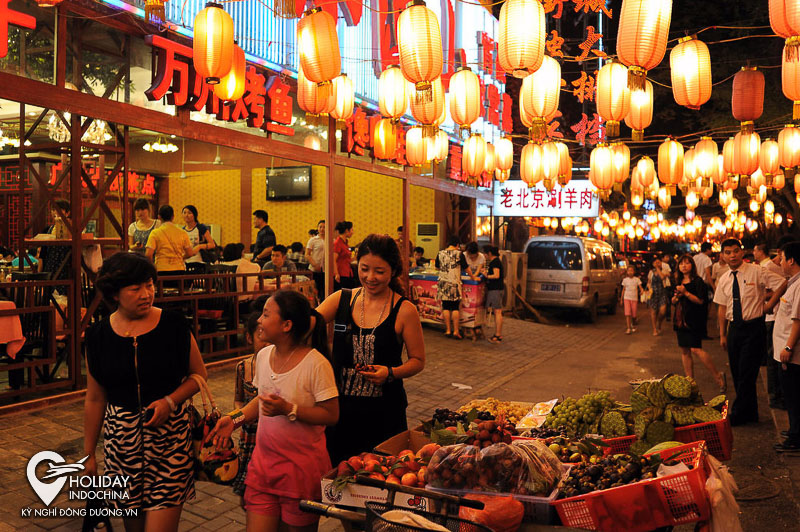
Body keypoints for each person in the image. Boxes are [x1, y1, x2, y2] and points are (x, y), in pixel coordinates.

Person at [83, 252, 207, 530]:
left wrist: (169, 401)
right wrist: (89, 453)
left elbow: (199, 375)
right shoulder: (98, 336)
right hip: (121, 446)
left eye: (149, 285)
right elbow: (94, 397)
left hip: (170, 442)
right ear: (114, 294)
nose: (146, 293)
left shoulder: (174, 325)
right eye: (136, 288)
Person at [207, 290, 338, 531]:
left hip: (300, 473)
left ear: (286, 325)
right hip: (263, 468)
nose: (259, 320)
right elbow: (261, 400)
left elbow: (331, 415)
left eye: (266, 315)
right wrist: (234, 419)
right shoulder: (264, 356)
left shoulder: (316, 364)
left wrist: (289, 409)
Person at [316, 234, 425, 464]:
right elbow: (309, 323)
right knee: (338, 476)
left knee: (381, 481)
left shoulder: (404, 310)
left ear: (393, 271)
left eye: (379, 271)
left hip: (385, 415)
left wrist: (391, 372)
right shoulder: (342, 299)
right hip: (341, 414)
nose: (370, 277)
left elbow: (417, 360)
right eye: (364, 269)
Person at [714, 238, 786, 426]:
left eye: (736, 251)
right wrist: (722, 334)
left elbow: (782, 283)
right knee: (737, 372)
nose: (732, 255)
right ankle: (750, 413)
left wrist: (769, 304)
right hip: (734, 329)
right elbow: (722, 307)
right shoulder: (724, 279)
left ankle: (737, 413)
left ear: (742, 252)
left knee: (747, 371)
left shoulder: (756, 271)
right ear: (722, 255)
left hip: (754, 328)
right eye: (728, 252)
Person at [672, 254, 726, 392]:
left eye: (687, 263)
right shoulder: (678, 280)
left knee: (696, 349)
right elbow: (674, 300)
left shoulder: (698, 281)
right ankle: (690, 382)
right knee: (684, 350)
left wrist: (686, 293)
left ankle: (718, 376)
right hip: (680, 320)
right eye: (681, 263)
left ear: (692, 266)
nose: (684, 266)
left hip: (693, 321)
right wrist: (675, 299)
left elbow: (701, 301)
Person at [231, 312, 269, 502]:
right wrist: (238, 418)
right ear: (249, 337)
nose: (267, 341)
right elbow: (238, 399)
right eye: (261, 334)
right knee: (247, 491)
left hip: (268, 433)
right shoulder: (243, 367)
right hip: (249, 435)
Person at [769, 241, 800, 451]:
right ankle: (794, 430)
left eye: (781, 257)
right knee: (791, 394)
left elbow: (798, 320)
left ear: (791, 260)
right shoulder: (792, 282)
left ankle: (796, 438)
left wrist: (788, 348)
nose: (779, 261)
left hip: (793, 353)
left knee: (794, 395)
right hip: (786, 350)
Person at [755, 242, 788, 409]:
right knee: (773, 357)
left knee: (774, 358)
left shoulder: (767, 267)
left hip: (775, 316)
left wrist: (766, 302)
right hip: (773, 317)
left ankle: (775, 395)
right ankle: (775, 395)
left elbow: (782, 285)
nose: (779, 260)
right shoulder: (766, 266)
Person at [145, 205, 196, 274]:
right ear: (173, 217)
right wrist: (181, 257)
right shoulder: (182, 233)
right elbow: (190, 253)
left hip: (161, 270)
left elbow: (148, 254)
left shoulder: (155, 233)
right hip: (179, 269)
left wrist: (152, 267)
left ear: (159, 217)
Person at [436, 236, 467, 339]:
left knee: (446, 306)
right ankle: (456, 331)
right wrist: (473, 276)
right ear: (457, 245)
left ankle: (448, 330)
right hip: (454, 282)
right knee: (454, 307)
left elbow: (437, 267)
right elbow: (466, 268)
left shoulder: (440, 253)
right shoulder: (459, 254)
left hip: (443, 282)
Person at [39, 199, 72, 283]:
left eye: (59, 210)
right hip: (49, 268)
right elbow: (42, 254)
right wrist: (39, 274)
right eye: (53, 210)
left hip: (66, 269)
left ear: (67, 213)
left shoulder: (72, 229)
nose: (54, 212)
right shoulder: (48, 229)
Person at [483, 245, 504, 343]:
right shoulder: (496, 261)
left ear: (489, 253)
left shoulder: (495, 262)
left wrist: (486, 275)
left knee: (497, 312)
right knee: (497, 312)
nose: (484, 255)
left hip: (495, 289)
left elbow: (496, 275)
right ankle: (498, 334)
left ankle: (498, 335)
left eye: (485, 253)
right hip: (497, 289)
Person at [647, 257, 669, 336]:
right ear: (652, 264)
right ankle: (654, 329)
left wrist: (657, 268)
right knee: (653, 312)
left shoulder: (664, 271)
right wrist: (649, 289)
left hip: (662, 293)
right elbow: (649, 282)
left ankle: (659, 323)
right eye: (655, 262)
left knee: (662, 311)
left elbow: (662, 277)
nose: (657, 263)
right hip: (653, 294)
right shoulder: (650, 272)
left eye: (659, 262)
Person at [306, 220, 326, 298]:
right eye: (320, 227)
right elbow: (307, 255)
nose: (322, 229)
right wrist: (315, 265)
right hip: (314, 269)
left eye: (324, 227)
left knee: (324, 289)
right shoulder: (313, 240)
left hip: (326, 269)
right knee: (315, 290)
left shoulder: (331, 240)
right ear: (317, 228)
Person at [620, 265, 642, 335]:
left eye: (631, 271)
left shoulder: (637, 279)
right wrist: (621, 299)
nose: (630, 272)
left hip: (634, 299)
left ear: (634, 272)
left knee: (634, 314)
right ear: (627, 272)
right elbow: (623, 290)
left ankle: (633, 323)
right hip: (627, 298)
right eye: (628, 271)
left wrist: (642, 291)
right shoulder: (625, 280)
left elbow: (640, 287)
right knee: (627, 313)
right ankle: (628, 328)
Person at [333, 221, 354, 291]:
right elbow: (333, 260)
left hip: (347, 273)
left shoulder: (345, 243)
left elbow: (346, 259)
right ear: (347, 230)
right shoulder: (337, 243)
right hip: (341, 274)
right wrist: (336, 274)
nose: (352, 232)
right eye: (352, 230)